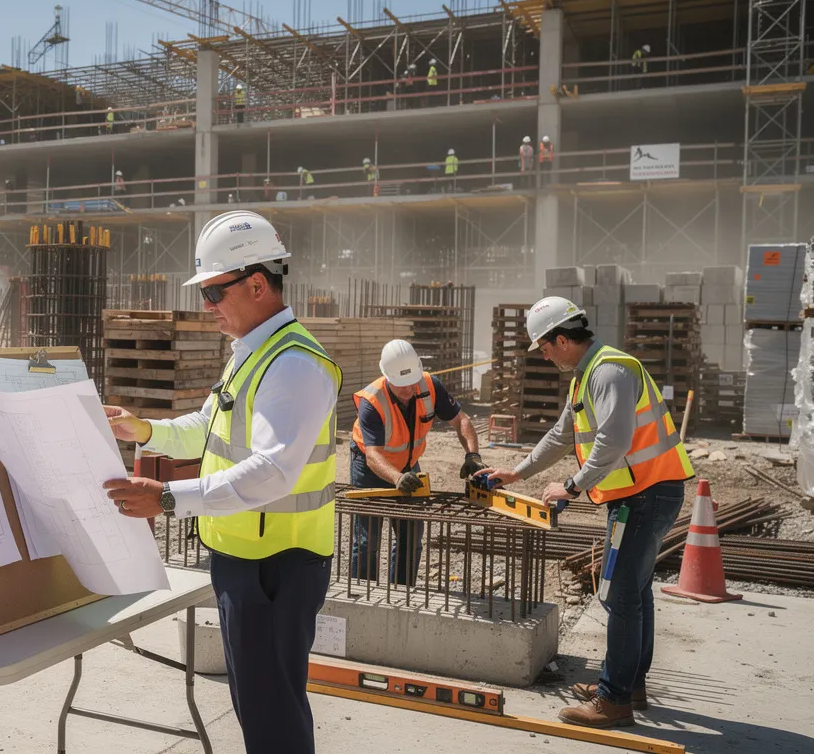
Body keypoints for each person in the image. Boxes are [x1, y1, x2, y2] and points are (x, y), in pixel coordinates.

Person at [103, 210, 339, 754]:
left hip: (277, 566)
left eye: (213, 292)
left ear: (257, 284)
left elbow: (273, 471)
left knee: (272, 716)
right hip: (247, 559)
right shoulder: (253, 354)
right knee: (258, 707)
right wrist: (145, 430)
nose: (206, 305)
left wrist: (168, 498)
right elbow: (207, 429)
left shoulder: (293, 365)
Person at [477, 296, 693, 730]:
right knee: (635, 592)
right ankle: (628, 685)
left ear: (562, 339)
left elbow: (614, 441)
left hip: (647, 495)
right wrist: (517, 472)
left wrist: (572, 486)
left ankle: (613, 701)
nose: (544, 356)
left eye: (544, 347)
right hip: (639, 495)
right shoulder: (586, 376)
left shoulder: (609, 371)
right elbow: (561, 435)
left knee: (620, 596)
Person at [349, 340, 482, 584]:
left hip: (408, 466)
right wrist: (397, 478)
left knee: (410, 538)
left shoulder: (430, 385)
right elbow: (373, 456)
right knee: (367, 541)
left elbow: (461, 420)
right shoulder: (372, 401)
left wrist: (472, 455)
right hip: (370, 468)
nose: (409, 389)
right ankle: (362, 593)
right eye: (402, 385)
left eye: (412, 381)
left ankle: (402, 593)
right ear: (387, 377)